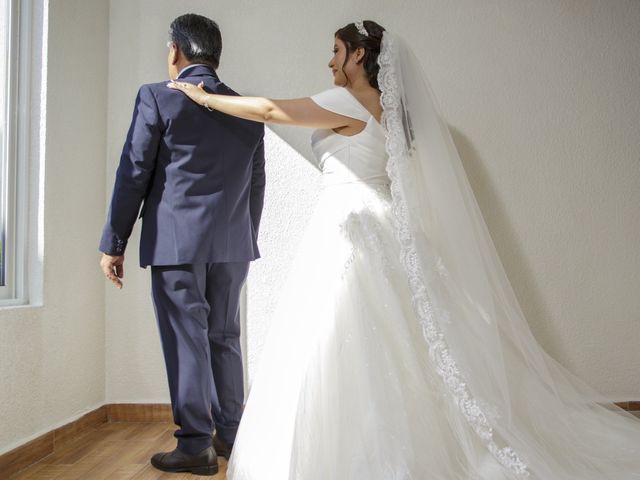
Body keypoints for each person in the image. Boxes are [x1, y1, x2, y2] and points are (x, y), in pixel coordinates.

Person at [169, 20, 640, 479]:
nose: (329, 59)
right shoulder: (392, 112)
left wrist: (206, 97)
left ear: (358, 54)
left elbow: (272, 112)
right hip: (383, 223)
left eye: (336, 49)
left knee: (337, 335)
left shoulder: (343, 101)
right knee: (397, 342)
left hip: (346, 224)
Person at [99, 13, 265, 476]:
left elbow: (134, 171)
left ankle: (195, 445)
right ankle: (231, 434)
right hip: (233, 245)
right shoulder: (247, 107)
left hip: (177, 245)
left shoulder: (157, 96)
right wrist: (243, 236)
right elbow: (256, 184)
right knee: (225, 337)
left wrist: (115, 241)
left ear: (176, 50)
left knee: (187, 339)